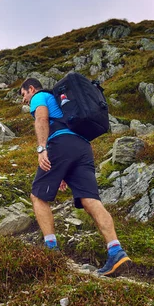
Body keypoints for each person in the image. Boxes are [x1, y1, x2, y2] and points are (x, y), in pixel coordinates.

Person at [19, 77, 131, 277]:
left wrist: (42, 148)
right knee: (90, 200)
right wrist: (63, 171)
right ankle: (116, 251)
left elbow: (42, 119)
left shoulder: (40, 96)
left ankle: (51, 250)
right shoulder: (60, 101)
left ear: (31, 88)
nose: (24, 100)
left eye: (24, 94)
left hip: (60, 144)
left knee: (38, 196)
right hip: (82, 147)